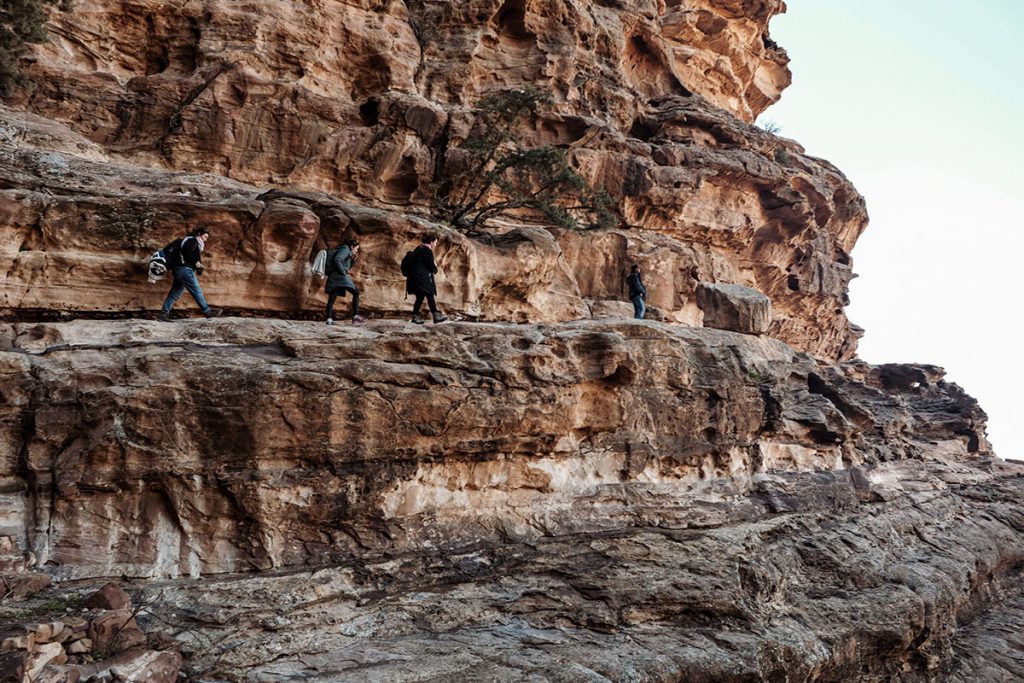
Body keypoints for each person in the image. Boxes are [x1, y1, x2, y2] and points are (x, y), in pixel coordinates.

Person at [158, 227, 222, 321]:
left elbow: (185, 253)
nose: (206, 239)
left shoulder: (185, 241)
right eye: (205, 236)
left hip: (178, 270)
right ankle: (207, 311)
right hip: (185, 270)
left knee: (174, 294)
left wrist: (198, 266)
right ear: (199, 234)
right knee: (196, 290)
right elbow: (186, 251)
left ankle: (163, 315)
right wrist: (196, 262)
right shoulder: (192, 240)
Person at [406, 233, 447, 324]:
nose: (435, 245)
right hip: (422, 278)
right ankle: (436, 315)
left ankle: (415, 315)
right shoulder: (427, 251)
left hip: (414, 278)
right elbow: (431, 267)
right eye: (435, 243)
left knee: (420, 297)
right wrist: (435, 267)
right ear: (431, 242)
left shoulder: (418, 249)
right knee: (429, 294)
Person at [325, 238, 366, 325]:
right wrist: (343, 272)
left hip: (336, 276)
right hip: (340, 276)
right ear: (352, 247)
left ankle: (329, 319)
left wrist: (353, 260)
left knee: (332, 297)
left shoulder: (347, 252)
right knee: (356, 292)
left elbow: (347, 267)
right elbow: (337, 259)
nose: (356, 251)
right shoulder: (345, 249)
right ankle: (355, 316)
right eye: (356, 249)